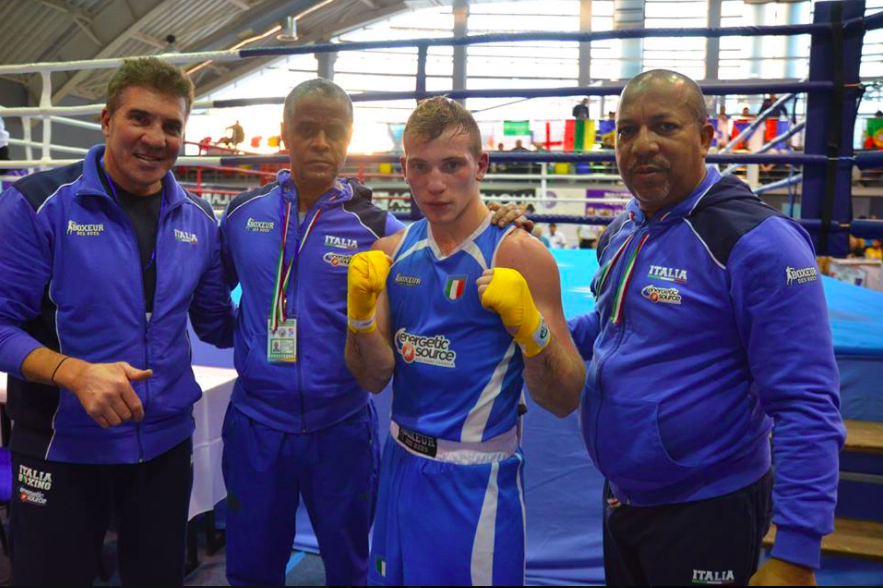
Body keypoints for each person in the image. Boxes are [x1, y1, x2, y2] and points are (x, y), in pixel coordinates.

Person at [218, 79, 530, 586]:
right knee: (251, 569)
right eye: (306, 129)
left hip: (340, 426)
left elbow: (442, 234)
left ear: (348, 137)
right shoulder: (242, 214)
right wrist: (248, 348)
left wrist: (502, 217)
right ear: (284, 135)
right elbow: (211, 291)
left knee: (354, 567)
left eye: (333, 130)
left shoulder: (378, 228)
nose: (320, 142)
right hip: (255, 423)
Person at [567, 69, 844, 586]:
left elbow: (807, 402)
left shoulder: (759, 242)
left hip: (708, 507)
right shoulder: (625, 228)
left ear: (705, 135)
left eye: (664, 126)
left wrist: (796, 552)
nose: (642, 145)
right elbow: (608, 327)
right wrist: (529, 327)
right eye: (627, 131)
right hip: (623, 497)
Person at [0, 57, 235, 585]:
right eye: (140, 119)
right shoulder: (38, 205)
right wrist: (75, 373)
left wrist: (304, 286)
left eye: (172, 126)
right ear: (106, 120)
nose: (156, 137)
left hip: (164, 450)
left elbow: (220, 324)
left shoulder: (198, 220)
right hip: (61, 446)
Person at [345, 96, 586, 585]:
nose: (434, 184)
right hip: (398, 469)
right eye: (420, 167)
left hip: (476, 481)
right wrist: (359, 320)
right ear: (405, 170)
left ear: (480, 165)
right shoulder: (391, 253)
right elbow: (372, 378)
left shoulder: (518, 253)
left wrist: (534, 335)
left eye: (452, 165)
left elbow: (565, 398)